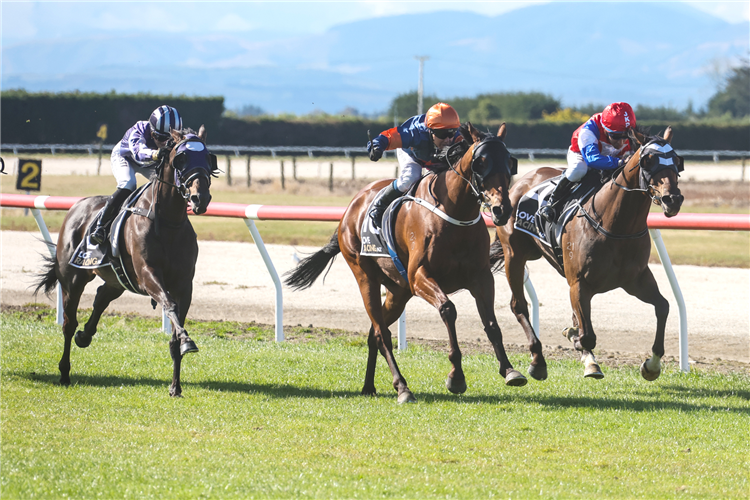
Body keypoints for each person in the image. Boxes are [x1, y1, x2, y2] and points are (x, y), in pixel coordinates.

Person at [89, 105, 182, 245]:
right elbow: (138, 153)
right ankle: (101, 226)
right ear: (151, 131)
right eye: (160, 137)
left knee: (166, 186)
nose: (163, 143)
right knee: (128, 184)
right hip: (126, 157)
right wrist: (156, 154)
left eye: (168, 139)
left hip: (150, 162)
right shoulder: (139, 129)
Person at [366, 102, 462, 229]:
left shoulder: (459, 137)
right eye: (442, 134)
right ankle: (380, 206)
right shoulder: (415, 133)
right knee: (409, 179)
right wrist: (376, 147)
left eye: (452, 133)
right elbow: (387, 137)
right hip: (411, 154)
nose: (448, 139)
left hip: (435, 159)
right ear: (430, 130)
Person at [538, 102, 636, 222]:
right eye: (615, 136)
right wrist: (620, 163)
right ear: (605, 129)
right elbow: (592, 160)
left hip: (610, 157)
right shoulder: (588, 131)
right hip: (582, 155)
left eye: (625, 136)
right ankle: (551, 203)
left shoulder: (628, 129)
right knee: (579, 170)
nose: (621, 143)